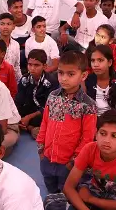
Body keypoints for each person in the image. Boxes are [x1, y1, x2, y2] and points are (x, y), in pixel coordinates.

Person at [37, 51, 97, 193]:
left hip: (69, 163)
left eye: (70, 74)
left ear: (83, 75)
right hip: (47, 157)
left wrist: (73, 162)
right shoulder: (52, 96)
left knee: (66, 193)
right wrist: (41, 149)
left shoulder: (88, 105)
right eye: (60, 73)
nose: (64, 78)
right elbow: (45, 123)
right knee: (50, 189)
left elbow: (87, 137)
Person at [15, 49, 59, 139]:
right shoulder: (24, 79)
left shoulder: (51, 81)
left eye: (36, 65)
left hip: (41, 112)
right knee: (13, 112)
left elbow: (49, 106)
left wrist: (28, 117)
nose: (32, 68)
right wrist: (18, 116)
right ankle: (30, 127)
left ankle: (29, 127)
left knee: (52, 114)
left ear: (44, 66)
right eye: (30, 64)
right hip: (28, 110)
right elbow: (18, 101)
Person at [86, 45, 116, 119]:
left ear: (109, 62)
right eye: (93, 60)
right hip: (92, 122)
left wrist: (110, 122)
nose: (95, 65)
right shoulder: (87, 80)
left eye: (100, 60)